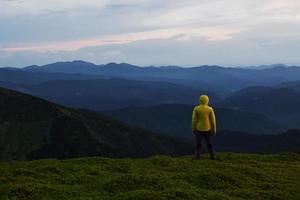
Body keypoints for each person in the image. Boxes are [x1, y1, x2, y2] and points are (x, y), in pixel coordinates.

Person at [192, 95, 217, 160]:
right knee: (209, 144)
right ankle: (212, 156)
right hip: (208, 129)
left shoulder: (196, 109)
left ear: (200, 100)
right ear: (207, 100)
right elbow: (213, 121)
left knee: (198, 144)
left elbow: (194, 120)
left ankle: (198, 157)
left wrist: (193, 128)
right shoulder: (210, 109)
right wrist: (214, 129)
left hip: (198, 129)